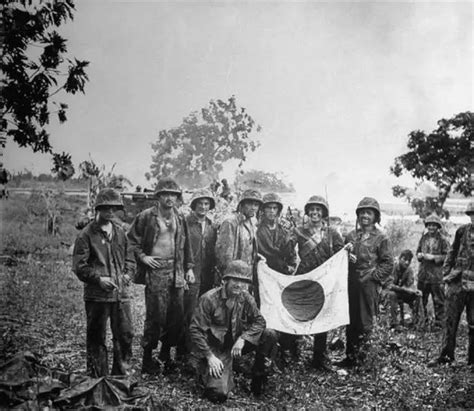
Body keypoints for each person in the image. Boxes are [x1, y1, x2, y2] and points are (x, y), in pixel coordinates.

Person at [127, 177, 194, 374]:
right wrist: (143, 257)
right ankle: (147, 359)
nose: (169, 198)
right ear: (158, 196)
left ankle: (166, 355)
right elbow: (132, 242)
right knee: (155, 315)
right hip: (156, 270)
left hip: (177, 271)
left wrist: (189, 267)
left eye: (173, 195)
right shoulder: (146, 216)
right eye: (165, 194)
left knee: (176, 315)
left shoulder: (180, 217)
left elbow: (187, 245)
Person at [189, 260, 278, 402]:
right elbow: (195, 330)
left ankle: (258, 379)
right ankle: (205, 370)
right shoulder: (209, 299)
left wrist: (244, 338)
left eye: (243, 281)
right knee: (218, 395)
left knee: (269, 334)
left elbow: (260, 321)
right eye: (235, 279)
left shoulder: (246, 298)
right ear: (226, 281)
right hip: (216, 349)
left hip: (236, 344)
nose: (239, 284)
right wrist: (210, 357)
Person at [72, 188, 135, 377]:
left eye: (114, 208)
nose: (110, 212)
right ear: (98, 208)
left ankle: (121, 377)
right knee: (96, 337)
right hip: (97, 296)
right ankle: (97, 377)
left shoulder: (120, 233)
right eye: (106, 208)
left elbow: (130, 259)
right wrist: (99, 279)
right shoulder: (86, 235)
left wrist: (127, 275)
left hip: (120, 295)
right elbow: (79, 266)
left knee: (125, 335)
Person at [337, 197, 393, 367]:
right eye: (362, 212)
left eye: (369, 213)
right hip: (352, 282)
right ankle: (350, 357)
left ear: (376, 216)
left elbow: (388, 263)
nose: (365, 216)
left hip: (369, 285)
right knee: (351, 319)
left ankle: (364, 359)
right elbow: (341, 257)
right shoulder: (351, 235)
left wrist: (374, 277)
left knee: (366, 321)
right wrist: (347, 256)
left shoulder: (382, 238)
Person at [293, 195, 344, 371]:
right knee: (299, 314)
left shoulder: (332, 233)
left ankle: (319, 357)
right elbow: (288, 251)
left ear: (323, 213)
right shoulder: (298, 231)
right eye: (312, 209)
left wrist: (348, 252)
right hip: (304, 278)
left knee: (322, 317)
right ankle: (293, 353)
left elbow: (340, 253)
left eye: (318, 210)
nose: (315, 213)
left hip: (324, 281)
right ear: (308, 212)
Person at [428, 201, 474, 367]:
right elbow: (452, 253)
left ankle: (472, 361)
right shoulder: (462, 231)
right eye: (472, 214)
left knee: (473, 324)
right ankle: (446, 356)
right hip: (457, 282)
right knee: (450, 320)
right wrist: (446, 275)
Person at [178, 188, 217, 360]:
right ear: (194, 205)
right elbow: (180, 249)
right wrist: (186, 269)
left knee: (204, 311)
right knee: (188, 312)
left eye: (206, 203)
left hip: (207, 275)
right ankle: (183, 350)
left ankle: (199, 348)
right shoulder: (185, 223)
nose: (203, 206)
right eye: (200, 203)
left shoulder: (211, 225)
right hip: (191, 274)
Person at [215, 189, 262, 297]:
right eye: (250, 204)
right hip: (234, 278)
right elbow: (224, 255)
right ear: (242, 204)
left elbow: (250, 249)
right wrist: (228, 278)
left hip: (246, 276)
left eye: (256, 205)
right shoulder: (231, 222)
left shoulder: (250, 223)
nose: (253, 208)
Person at [416, 213, 449, 329]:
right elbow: (418, 251)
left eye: (434, 225)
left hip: (437, 276)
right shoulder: (423, 238)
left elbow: (448, 257)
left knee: (439, 300)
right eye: (429, 225)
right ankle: (421, 321)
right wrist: (419, 256)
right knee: (421, 299)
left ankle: (439, 324)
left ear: (438, 227)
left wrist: (434, 258)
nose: (431, 228)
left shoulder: (443, 240)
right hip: (423, 275)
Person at [256, 192, 297, 275]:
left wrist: (291, 266)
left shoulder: (283, 230)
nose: (272, 211)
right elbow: (267, 254)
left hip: (282, 273)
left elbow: (291, 252)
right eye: (269, 208)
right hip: (264, 272)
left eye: (274, 208)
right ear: (263, 210)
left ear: (278, 210)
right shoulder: (258, 231)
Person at [384, 249, 421, 329]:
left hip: (401, 293)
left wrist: (414, 291)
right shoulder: (393, 267)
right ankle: (395, 323)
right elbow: (390, 285)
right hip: (388, 293)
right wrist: (404, 289)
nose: (407, 262)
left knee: (417, 295)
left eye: (409, 260)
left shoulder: (409, 270)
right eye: (405, 259)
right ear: (400, 258)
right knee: (392, 294)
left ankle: (415, 322)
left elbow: (409, 285)